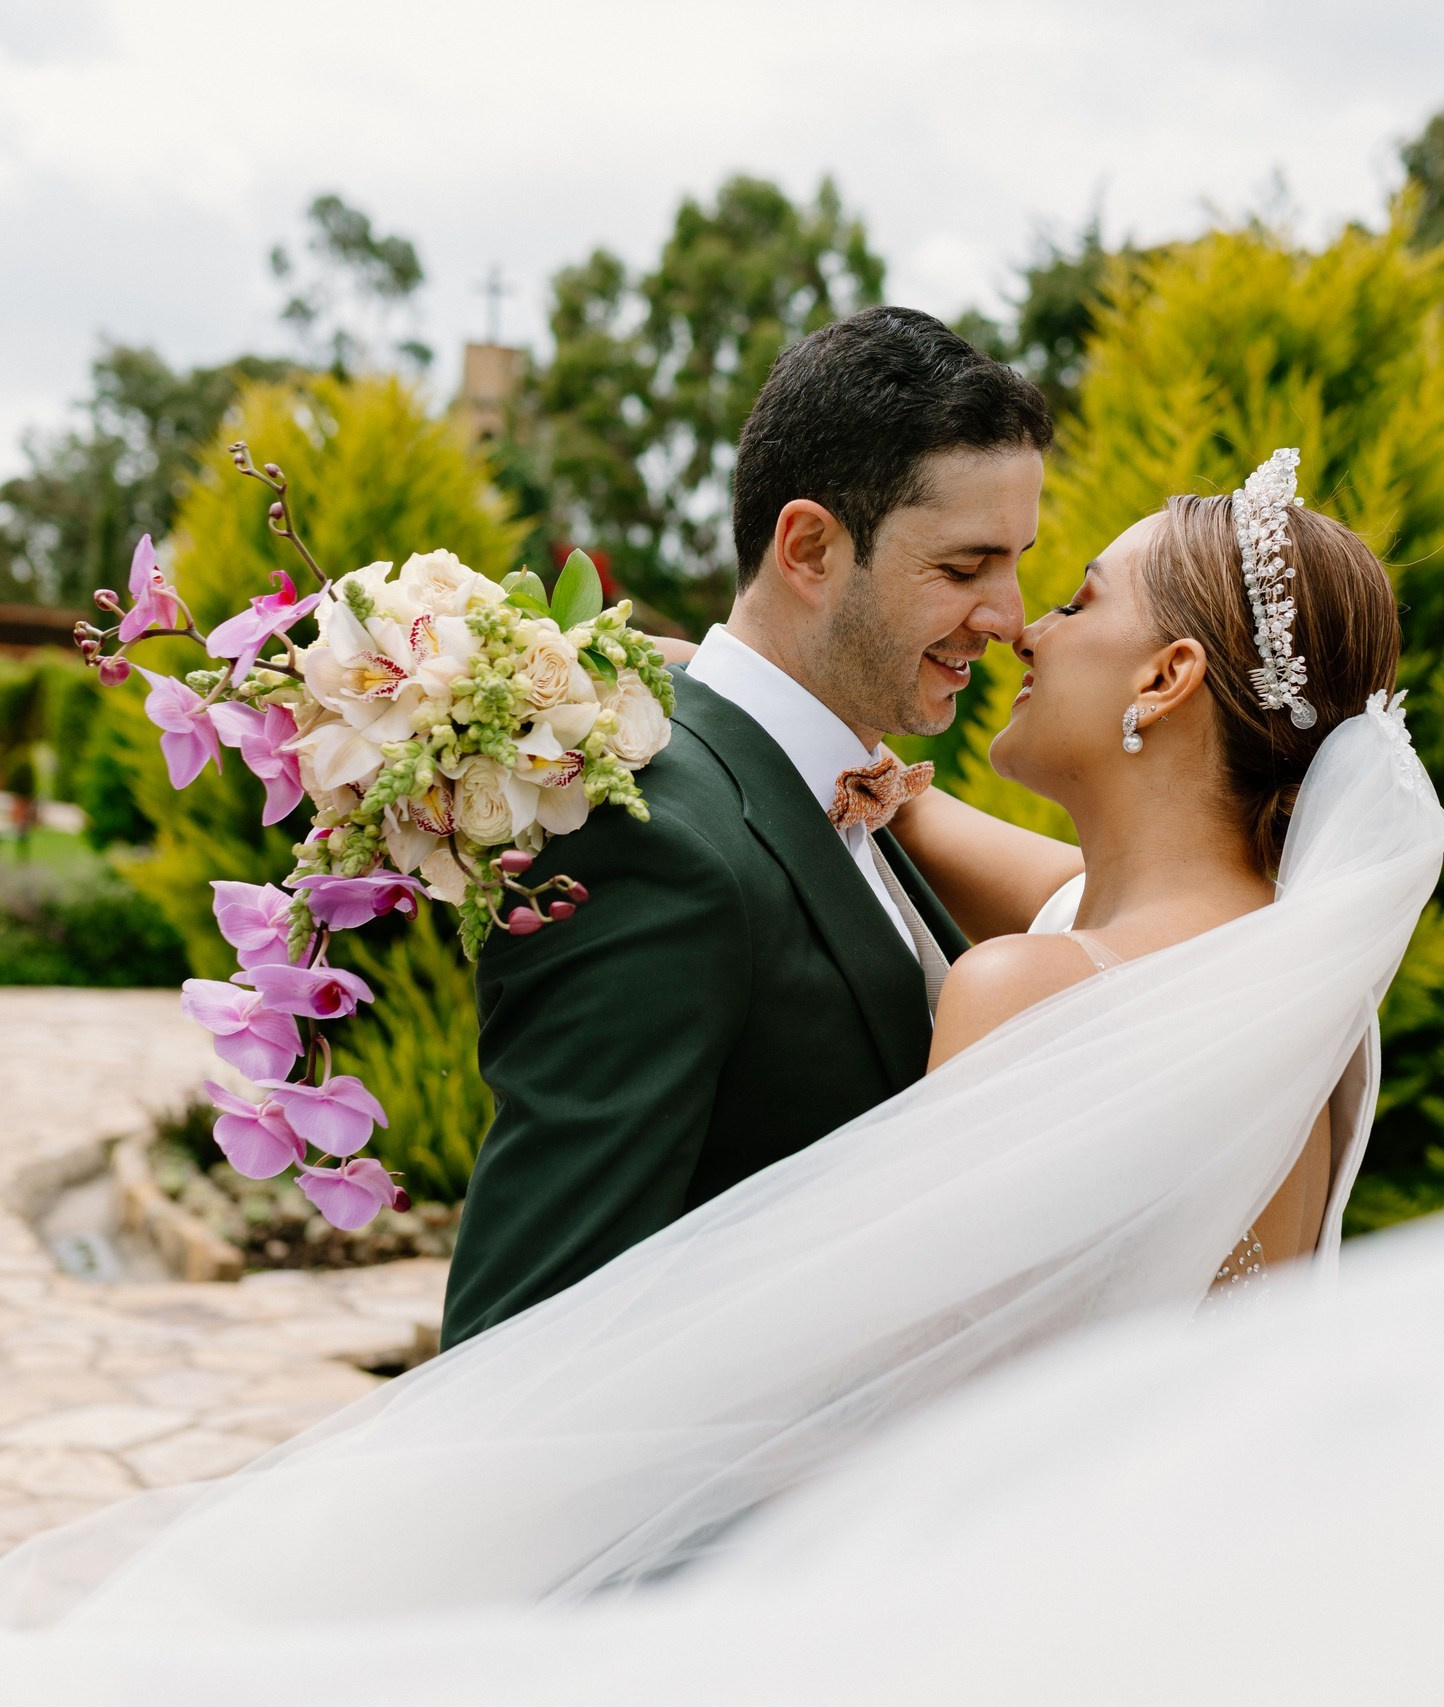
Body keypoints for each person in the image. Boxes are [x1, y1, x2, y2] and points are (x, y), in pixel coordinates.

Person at [0, 448, 1444, 1704]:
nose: (1027, 626)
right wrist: (840, 776)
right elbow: (1072, 882)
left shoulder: (1029, 987)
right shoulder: (1290, 973)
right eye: (989, 575)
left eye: (1081, 596)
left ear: (1170, 672)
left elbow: (888, 1402)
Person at [442, 306, 1053, 1346]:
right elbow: (525, 1336)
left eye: (1016, 562)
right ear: (810, 548)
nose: (1009, 615)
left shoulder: (847, 787)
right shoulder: (655, 844)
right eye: (963, 569)